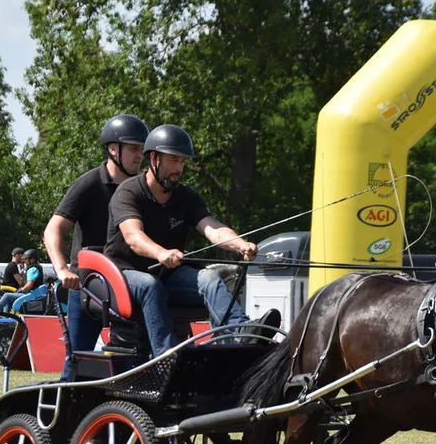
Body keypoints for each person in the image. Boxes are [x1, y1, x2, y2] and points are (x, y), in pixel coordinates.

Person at [104, 123, 279, 356]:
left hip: (167, 276)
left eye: (183, 162)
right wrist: (160, 253)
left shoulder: (186, 197)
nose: (180, 168)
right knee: (149, 284)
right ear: (154, 158)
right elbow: (133, 236)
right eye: (174, 160)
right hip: (123, 275)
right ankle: (166, 358)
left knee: (209, 277)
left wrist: (240, 243)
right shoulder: (128, 192)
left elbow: (213, 229)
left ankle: (238, 338)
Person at [44, 113, 148, 380]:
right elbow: (54, 229)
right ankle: (62, 418)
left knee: (133, 362)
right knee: (77, 364)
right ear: (113, 149)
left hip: (128, 285)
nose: (140, 156)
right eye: (134, 149)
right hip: (89, 286)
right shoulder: (88, 184)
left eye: (142, 150)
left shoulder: (144, 188)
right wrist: (62, 269)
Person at [0, 249, 45, 314]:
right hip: (33, 295)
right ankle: (6, 317)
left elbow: (29, 285)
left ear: (32, 260)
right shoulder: (35, 268)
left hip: (31, 296)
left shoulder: (32, 269)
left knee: (7, 295)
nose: (25, 262)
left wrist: (22, 289)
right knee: (9, 298)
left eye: (26, 260)